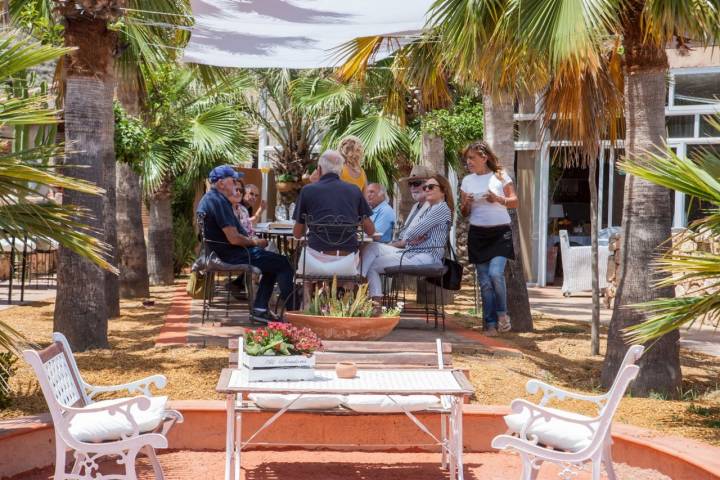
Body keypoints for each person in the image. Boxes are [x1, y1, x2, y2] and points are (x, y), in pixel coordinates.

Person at [196, 165, 294, 323]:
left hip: (227, 252)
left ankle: (260, 309)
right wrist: (255, 241)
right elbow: (234, 238)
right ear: (221, 183)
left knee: (274, 262)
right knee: (283, 263)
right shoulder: (218, 201)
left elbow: (236, 234)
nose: (236, 184)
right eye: (233, 180)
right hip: (232, 255)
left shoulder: (214, 199)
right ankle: (295, 313)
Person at [460, 141, 519, 336]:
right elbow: (464, 213)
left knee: (495, 274)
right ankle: (490, 324)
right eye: (467, 158)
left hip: (500, 233)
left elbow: (514, 202)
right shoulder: (467, 181)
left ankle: (502, 314)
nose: (468, 162)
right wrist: (467, 203)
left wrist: (497, 199)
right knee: (484, 282)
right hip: (478, 234)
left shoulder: (500, 176)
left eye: (472, 158)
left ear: (484, 158)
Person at [362, 174, 453, 300]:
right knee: (372, 248)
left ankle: (360, 288)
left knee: (372, 263)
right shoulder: (429, 209)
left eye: (431, 187)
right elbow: (409, 234)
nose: (426, 189)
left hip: (426, 256)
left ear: (443, 191)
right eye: (425, 187)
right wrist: (415, 236)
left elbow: (411, 233)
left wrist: (415, 235)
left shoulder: (440, 209)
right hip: (413, 252)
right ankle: (363, 287)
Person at [293, 150, 375, 256]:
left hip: (317, 257)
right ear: (341, 171)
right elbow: (370, 230)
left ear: (319, 170)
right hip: (347, 258)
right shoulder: (354, 190)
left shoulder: (307, 190)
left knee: (299, 260)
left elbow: (297, 234)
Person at [396, 165, 434, 240]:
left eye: (417, 183)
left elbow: (414, 237)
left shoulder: (433, 207)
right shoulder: (415, 206)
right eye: (410, 184)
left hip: (420, 250)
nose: (412, 187)